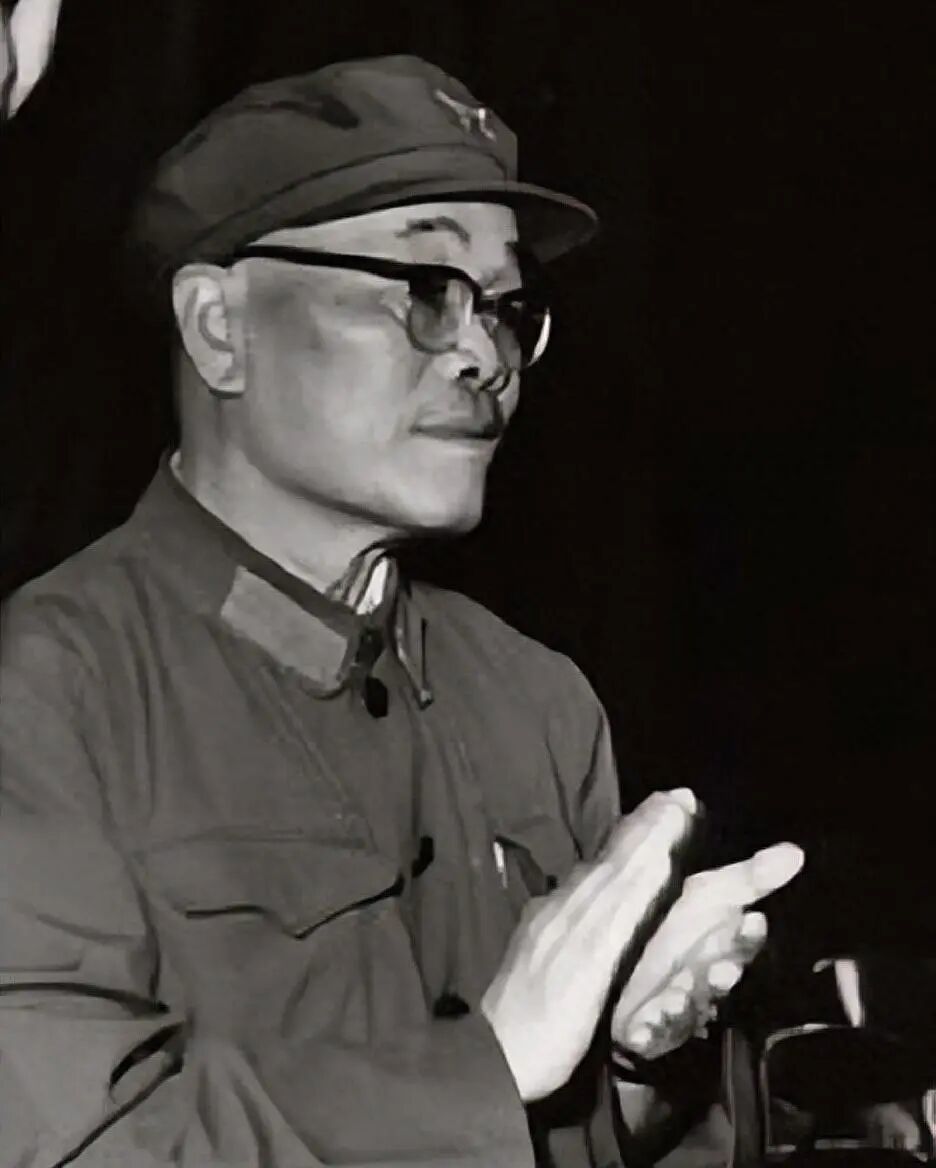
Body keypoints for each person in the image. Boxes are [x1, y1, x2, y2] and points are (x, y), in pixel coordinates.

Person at [0, 54, 804, 1167]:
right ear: (220, 328)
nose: (485, 355)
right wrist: (492, 1063)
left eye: (508, 309)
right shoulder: (46, 693)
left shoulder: (538, 703)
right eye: (426, 290)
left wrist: (636, 1068)